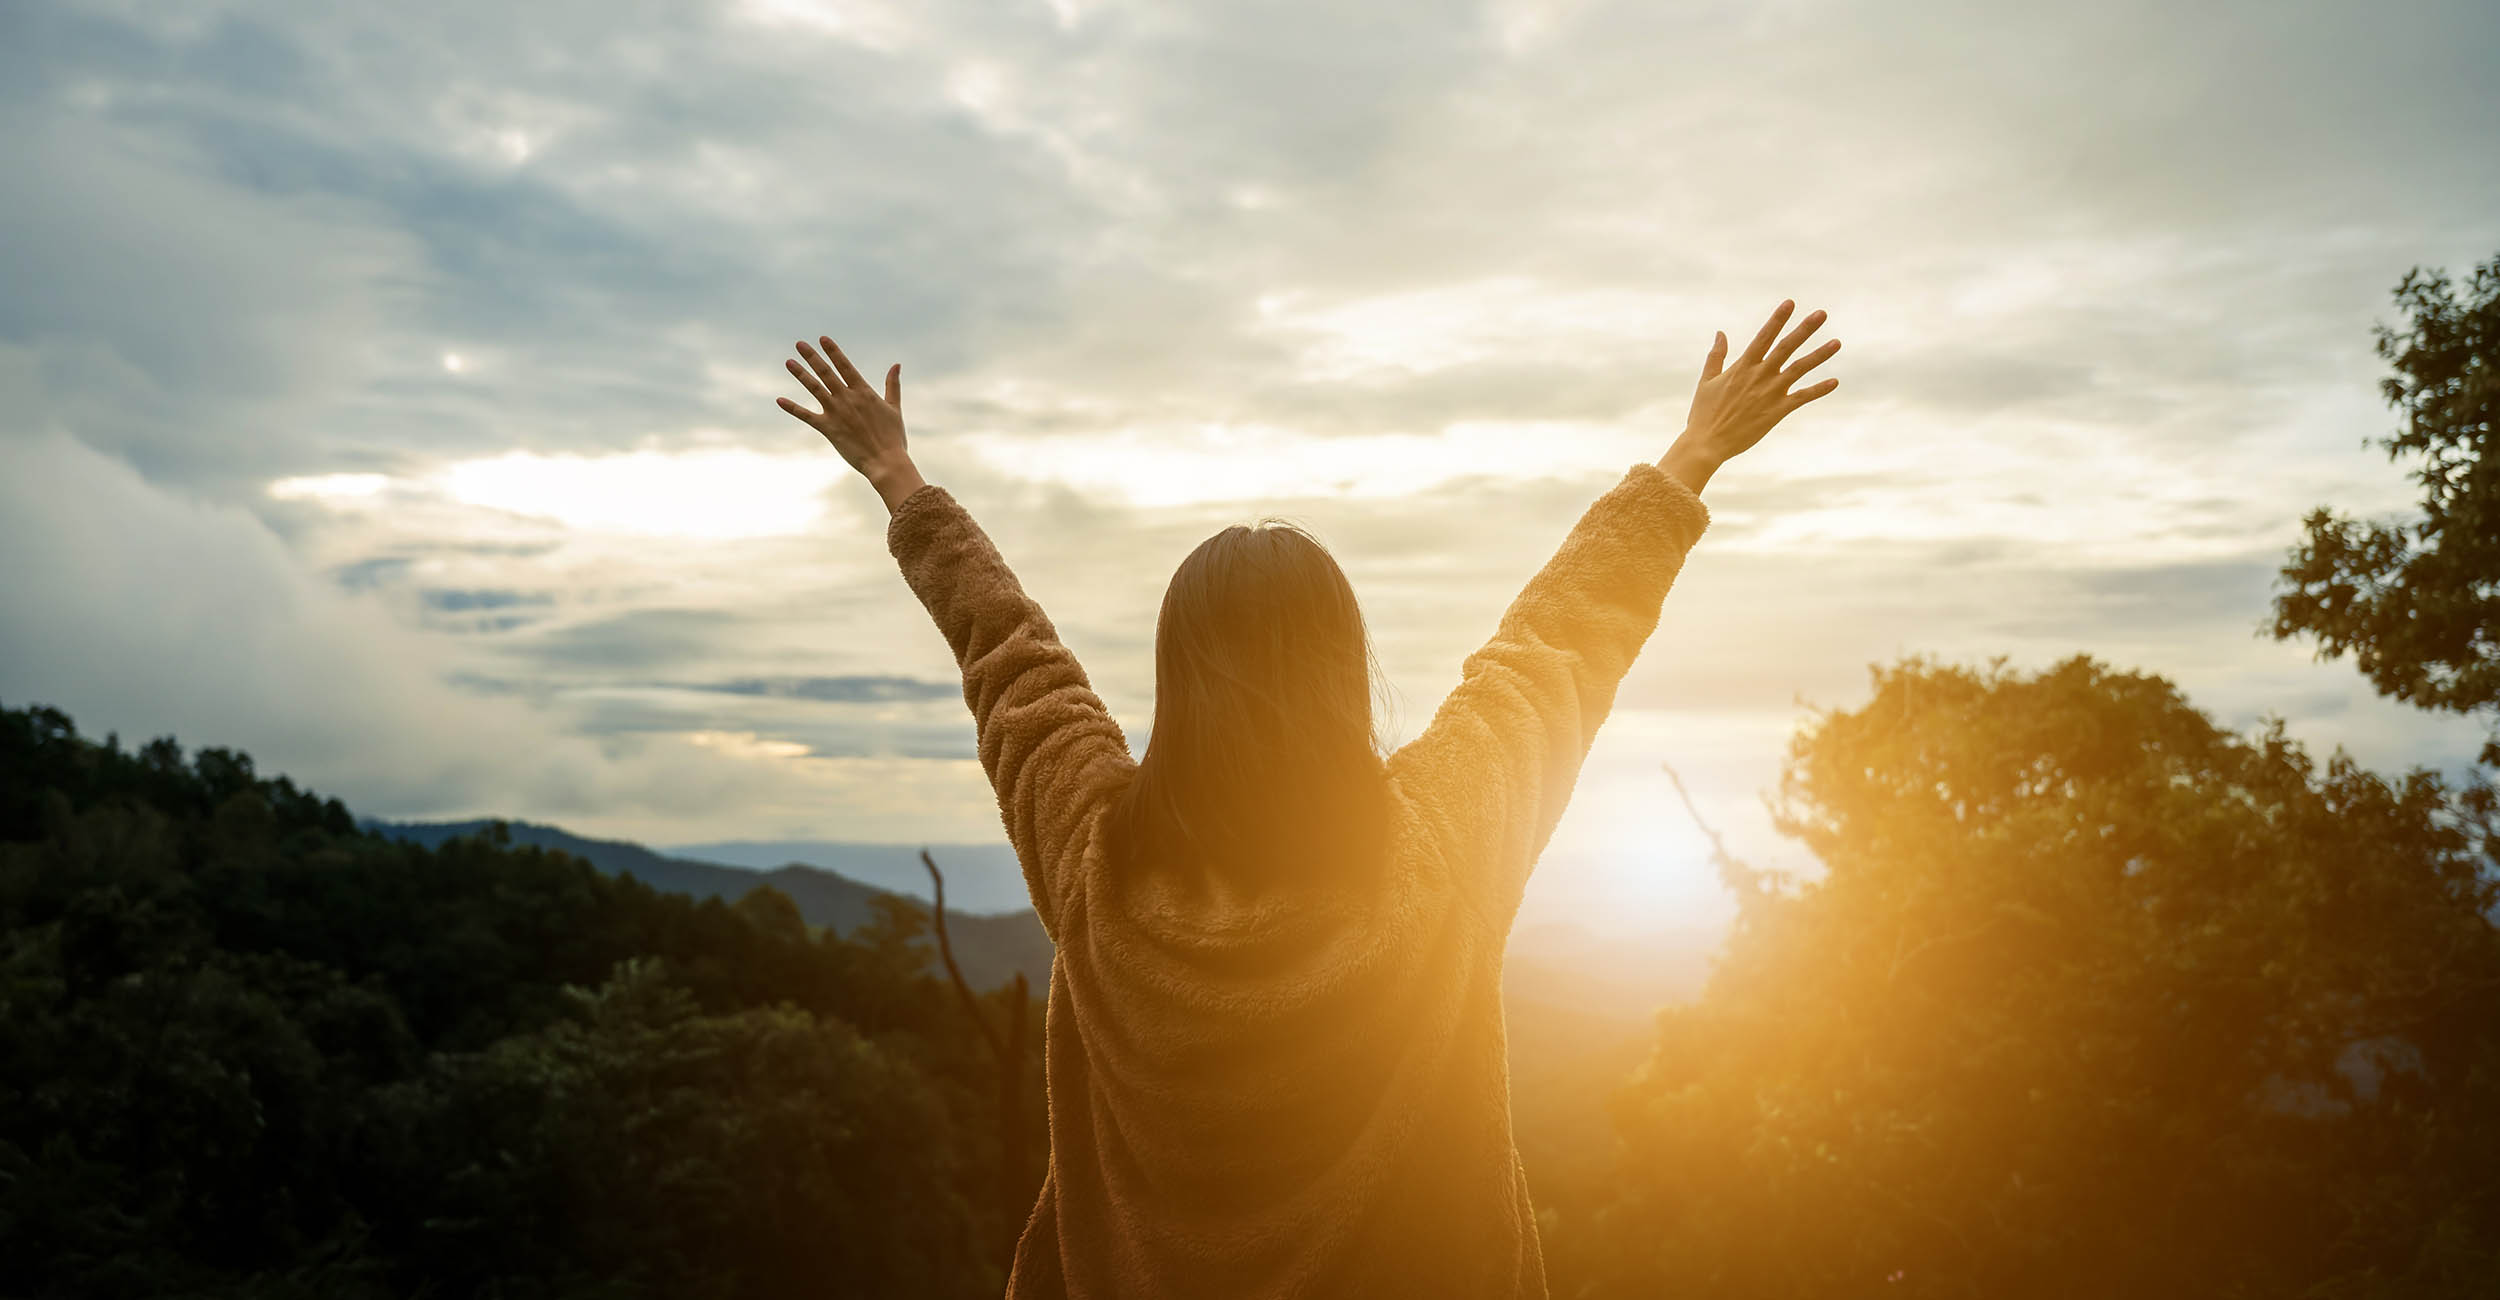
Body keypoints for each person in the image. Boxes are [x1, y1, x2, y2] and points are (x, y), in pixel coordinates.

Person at [775, 301, 1841, 1298]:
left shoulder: (1093, 858)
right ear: (1341, 677)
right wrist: (1692, 457)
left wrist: (900, 479)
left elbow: (1012, 658)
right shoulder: (1438, 843)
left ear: (1177, 682)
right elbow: (1554, 645)